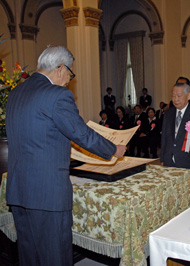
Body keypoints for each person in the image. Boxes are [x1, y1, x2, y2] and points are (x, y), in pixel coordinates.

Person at [5, 46, 126, 266]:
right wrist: (113, 150)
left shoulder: (16, 93)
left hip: (19, 191)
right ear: (61, 68)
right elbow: (81, 134)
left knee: (29, 257)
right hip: (47, 194)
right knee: (55, 258)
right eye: (70, 73)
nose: (70, 80)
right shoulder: (57, 95)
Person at [161, 82, 190, 182]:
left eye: (179, 96)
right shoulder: (168, 113)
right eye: (173, 96)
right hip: (169, 159)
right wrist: (162, 158)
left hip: (188, 161)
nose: (175, 99)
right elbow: (164, 137)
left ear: (188, 96)